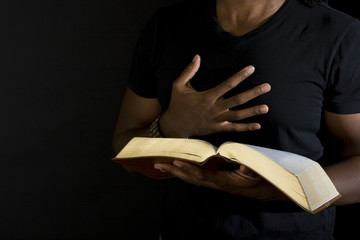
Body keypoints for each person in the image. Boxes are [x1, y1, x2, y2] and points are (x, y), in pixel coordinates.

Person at [113, 0, 360, 239]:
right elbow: (125, 154)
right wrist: (170, 126)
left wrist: (277, 191)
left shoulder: (335, 34)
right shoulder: (167, 25)